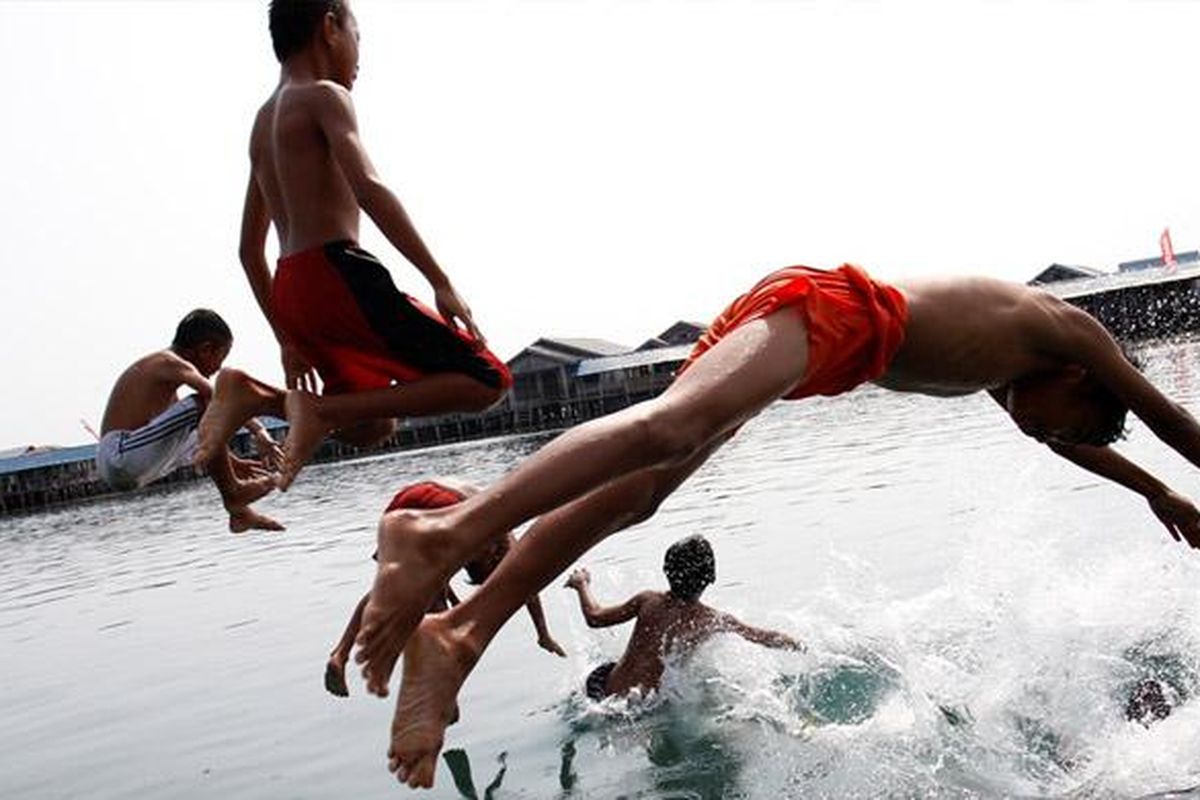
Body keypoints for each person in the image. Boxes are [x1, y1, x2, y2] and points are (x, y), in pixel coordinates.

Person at [356, 264, 1200, 788]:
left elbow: (1077, 441)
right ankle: (446, 532)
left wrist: (1153, 495)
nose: (1047, 436)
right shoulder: (1068, 334)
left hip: (816, 349)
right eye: (1067, 425)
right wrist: (1171, 476)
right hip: (825, 313)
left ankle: (462, 632)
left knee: (641, 492)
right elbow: (1169, 420)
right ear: (1084, 386)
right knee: (667, 428)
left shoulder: (1016, 371)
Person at [195, 0, 511, 490]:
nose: (361, 56)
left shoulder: (261, 124)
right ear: (329, 27)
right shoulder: (324, 97)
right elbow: (368, 188)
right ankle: (304, 410)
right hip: (335, 273)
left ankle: (256, 396)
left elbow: (248, 251)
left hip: (292, 285)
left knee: (371, 426)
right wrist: (440, 281)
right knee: (487, 381)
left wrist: (286, 336)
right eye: (358, 36)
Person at [324, 479, 565, 698]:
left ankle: (341, 653)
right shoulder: (494, 539)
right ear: (490, 557)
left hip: (410, 498)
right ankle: (439, 694)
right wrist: (543, 634)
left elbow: (441, 576)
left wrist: (454, 598)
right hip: (441, 506)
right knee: (430, 603)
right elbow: (527, 588)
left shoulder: (493, 530)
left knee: (398, 587)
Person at [96, 309, 284, 532]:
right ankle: (233, 495)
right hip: (118, 456)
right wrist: (259, 431)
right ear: (206, 349)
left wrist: (233, 463)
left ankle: (239, 514)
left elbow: (196, 438)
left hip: (129, 467)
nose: (217, 370)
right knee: (203, 404)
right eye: (220, 359)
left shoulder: (168, 389)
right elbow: (218, 397)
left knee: (201, 425)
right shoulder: (167, 361)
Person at [566, 536, 802, 700]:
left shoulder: (648, 601)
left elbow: (594, 617)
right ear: (711, 577)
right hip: (648, 706)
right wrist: (800, 646)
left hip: (604, 693)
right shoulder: (712, 620)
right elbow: (763, 637)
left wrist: (582, 584)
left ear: (666, 570)